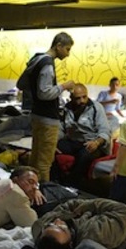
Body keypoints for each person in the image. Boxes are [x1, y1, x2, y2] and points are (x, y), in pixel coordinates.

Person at [24, 32, 76, 182]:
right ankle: (43, 193)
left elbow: (23, 84)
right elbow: (44, 93)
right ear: (58, 46)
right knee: (45, 162)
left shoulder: (36, 58)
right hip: (48, 118)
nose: (68, 54)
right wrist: (64, 86)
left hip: (36, 114)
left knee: (35, 157)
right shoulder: (47, 64)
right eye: (67, 49)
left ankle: (28, 189)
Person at [32, 198, 126, 249]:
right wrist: (91, 205)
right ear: (71, 244)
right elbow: (125, 212)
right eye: (62, 228)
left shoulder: (41, 227)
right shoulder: (95, 235)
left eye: (52, 225)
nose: (58, 221)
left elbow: (70, 204)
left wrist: (82, 206)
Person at [56, 83, 110, 183]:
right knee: (51, 149)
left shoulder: (96, 108)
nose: (82, 101)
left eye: (84, 97)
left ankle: (72, 183)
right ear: (71, 98)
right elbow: (61, 129)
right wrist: (54, 142)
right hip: (74, 142)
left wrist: (97, 142)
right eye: (78, 98)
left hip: (93, 143)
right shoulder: (66, 109)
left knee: (83, 155)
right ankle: (57, 180)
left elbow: (105, 130)